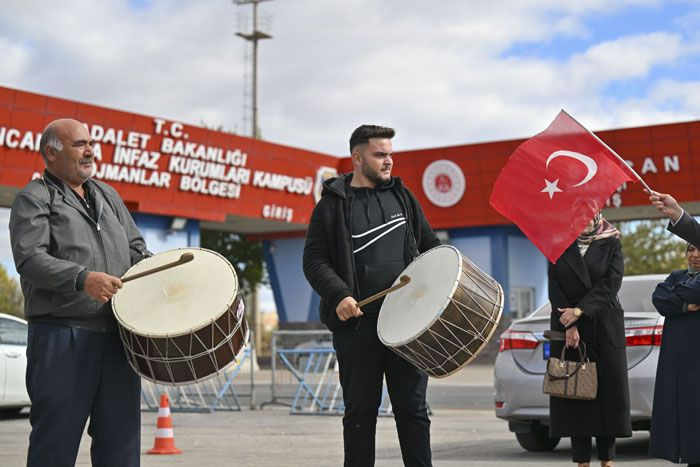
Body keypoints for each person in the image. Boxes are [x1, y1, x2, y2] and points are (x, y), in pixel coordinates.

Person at [9, 118, 150, 467]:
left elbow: (136, 249)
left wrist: (160, 276)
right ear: (51, 153)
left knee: (121, 444)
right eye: (79, 144)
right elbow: (30, 259)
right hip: (62, 336)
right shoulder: (34, 197)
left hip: (118, 339)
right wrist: (82, 278)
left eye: (91, 143)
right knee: (55, 445)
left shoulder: (109, 195)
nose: (90, 150)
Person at [303, 124, 440, 466]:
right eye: (380, 155)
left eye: (390, 154)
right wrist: (339, 296)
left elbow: (430, 247)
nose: (388, 161)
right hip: (358, 327)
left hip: (406, 327)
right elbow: (314, 260)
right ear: (357, 157)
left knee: (413, 412)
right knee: (360, 414)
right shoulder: (332, 207)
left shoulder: (403, 198)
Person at [547, 210, 631, 467]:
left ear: (597, 216)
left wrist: (579, 311)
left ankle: (607, 460)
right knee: (576, 396)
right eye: (579, 216)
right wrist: (569, 323)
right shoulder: (558, 244)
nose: (585, 221)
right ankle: (581, 461)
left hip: (603, 325)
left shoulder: (612, 241)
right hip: (568, 327)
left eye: (589, 215)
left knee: (607, 398)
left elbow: (612, 282)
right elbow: (555, 286)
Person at [649, 242, 700, 466]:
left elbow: (692, 290)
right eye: (690, 249)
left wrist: (674, 296)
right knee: (685, 415)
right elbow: (658, 297)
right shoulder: (677, 275)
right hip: (679, 362)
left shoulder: (680, 281)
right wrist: (684, 306)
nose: (695, 255)